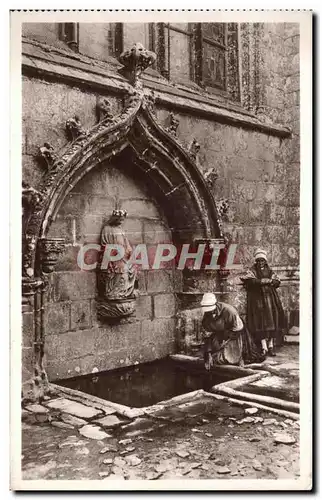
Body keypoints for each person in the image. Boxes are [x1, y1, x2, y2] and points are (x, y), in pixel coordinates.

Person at [241, 248, 286, 358]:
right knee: (259, 322)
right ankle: (263, 347)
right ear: (256, 261)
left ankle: (270, 346)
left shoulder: (270, 271)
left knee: (272, 321)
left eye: (263, 260)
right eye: (259, 260)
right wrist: (264, 281)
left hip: (270, 299)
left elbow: (277, 282)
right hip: (257, 300)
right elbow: (250, 281)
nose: (261, 262)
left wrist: (270, 281)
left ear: (265, 261)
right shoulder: (252, 270)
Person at [200, 292, 262, 370]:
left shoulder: (229, 311)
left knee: (229, 357)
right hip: (219, 334)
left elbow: (237, 328)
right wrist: (208, 352)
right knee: (214, 358)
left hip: (235, 333)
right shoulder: (207, 316)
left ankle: (239, 359)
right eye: (208, 312)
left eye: (211, 311)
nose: (210, 313)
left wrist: (226, 340)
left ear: (215, 305)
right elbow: (207, 335)